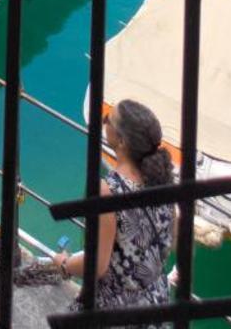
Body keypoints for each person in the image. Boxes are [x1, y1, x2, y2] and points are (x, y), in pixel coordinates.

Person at [55, 100, 174, 318]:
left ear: (120, 140)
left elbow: (97, 265)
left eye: (109, 118)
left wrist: (63, 264)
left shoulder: (108, 190)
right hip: (155, 303)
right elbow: (166, 242)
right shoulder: (165, 180)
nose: (104, 120)